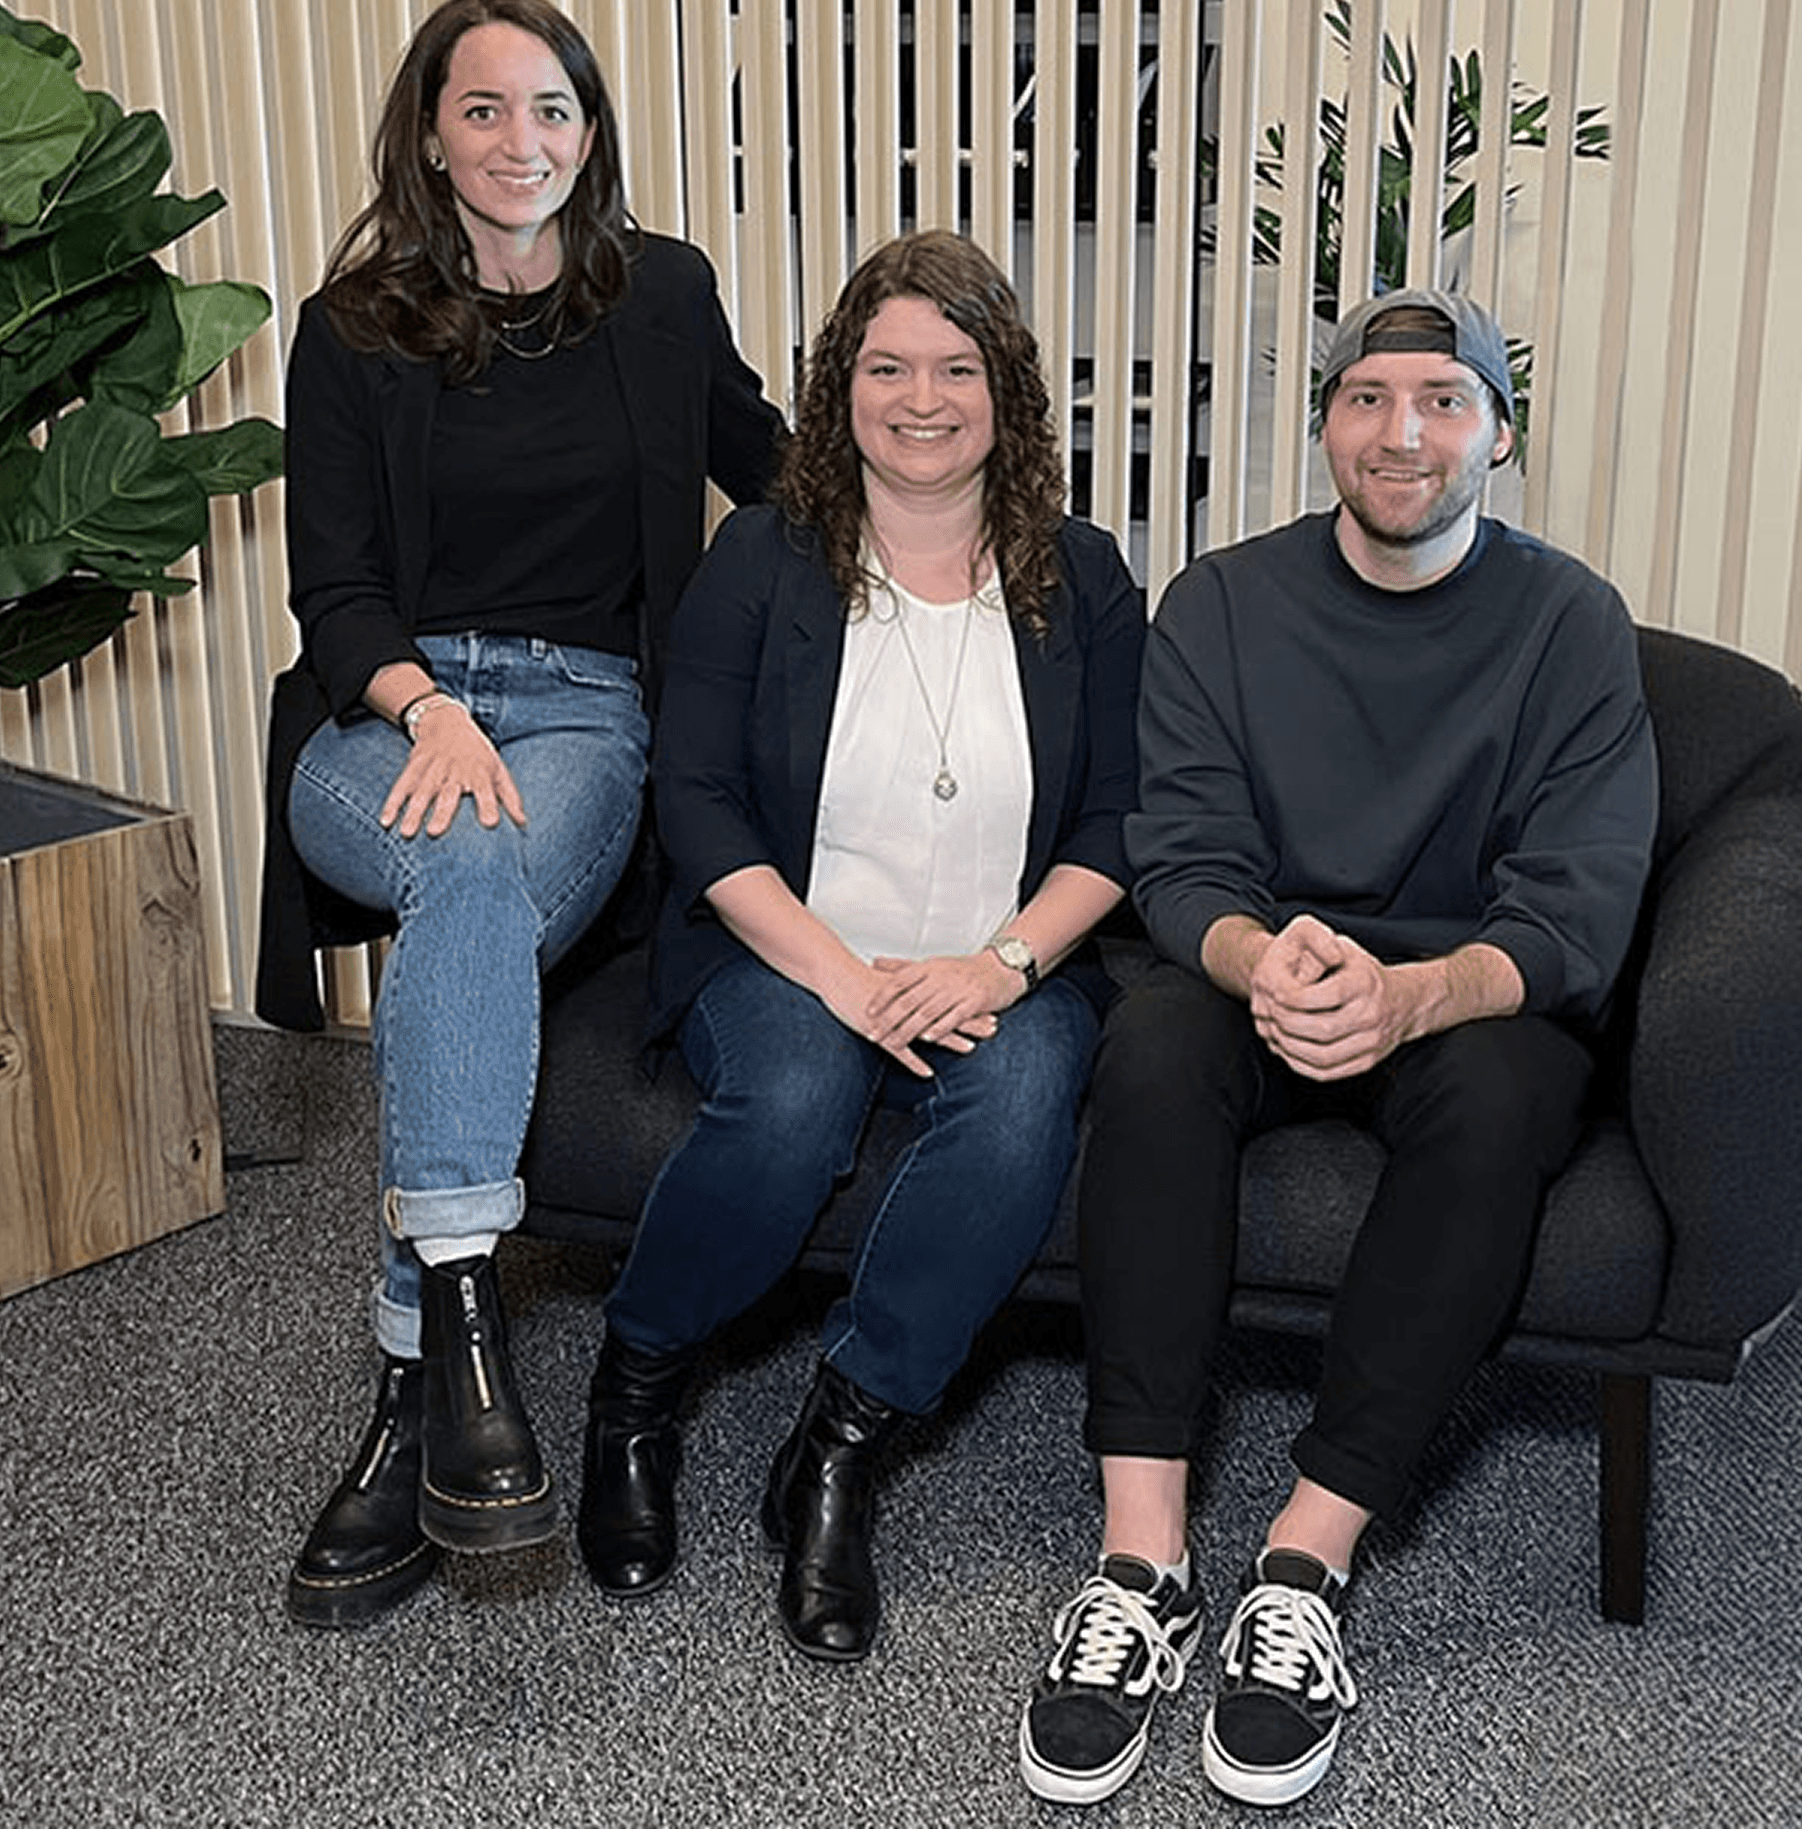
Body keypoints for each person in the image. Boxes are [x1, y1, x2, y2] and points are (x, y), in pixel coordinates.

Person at [1015, 288, 1659, 1807]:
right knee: (1154, 1055)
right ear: (1325, 427)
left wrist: (1414, 994)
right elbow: (1179, 851)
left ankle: (1304, 1564)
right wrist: (1256, 956)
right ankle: (1145, 1560)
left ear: (1498, 431)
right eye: (1368, 398)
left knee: (1505, 1106)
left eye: (1444, 398)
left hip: (1466, 991)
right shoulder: (1225, 603)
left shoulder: (1571, 623)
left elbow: (1579, 904)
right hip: (1268, 965)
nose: (1402, 432)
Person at [256, 0, 782, 1631]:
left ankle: (424, 1379)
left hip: (582, 718)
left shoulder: (664, 295)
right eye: (483, 110)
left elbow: (773, 461)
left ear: (590, 132)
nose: (521, 142)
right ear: (431, 132)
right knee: (460, 854)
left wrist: (949, 501)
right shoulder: (350, 328)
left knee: (474, 873)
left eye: (551, 110)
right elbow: (332, 591)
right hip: (381, 718)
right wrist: (423, 708)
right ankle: (469, 1326)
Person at [576, 229, 1144, 1664]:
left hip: (1001, 959)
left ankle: (839, 1445)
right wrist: (837, 976)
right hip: (784, 948)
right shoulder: (764, 558)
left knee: (1019, 1101)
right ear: (841, 390)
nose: (921, 397)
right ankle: (636, 1391)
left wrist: (1001, 967)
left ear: (1005, 391)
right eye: (886, 365)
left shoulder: (1079, 574)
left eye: (957, 366)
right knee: (798, 1093)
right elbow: (694, 798)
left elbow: (1128, 815)